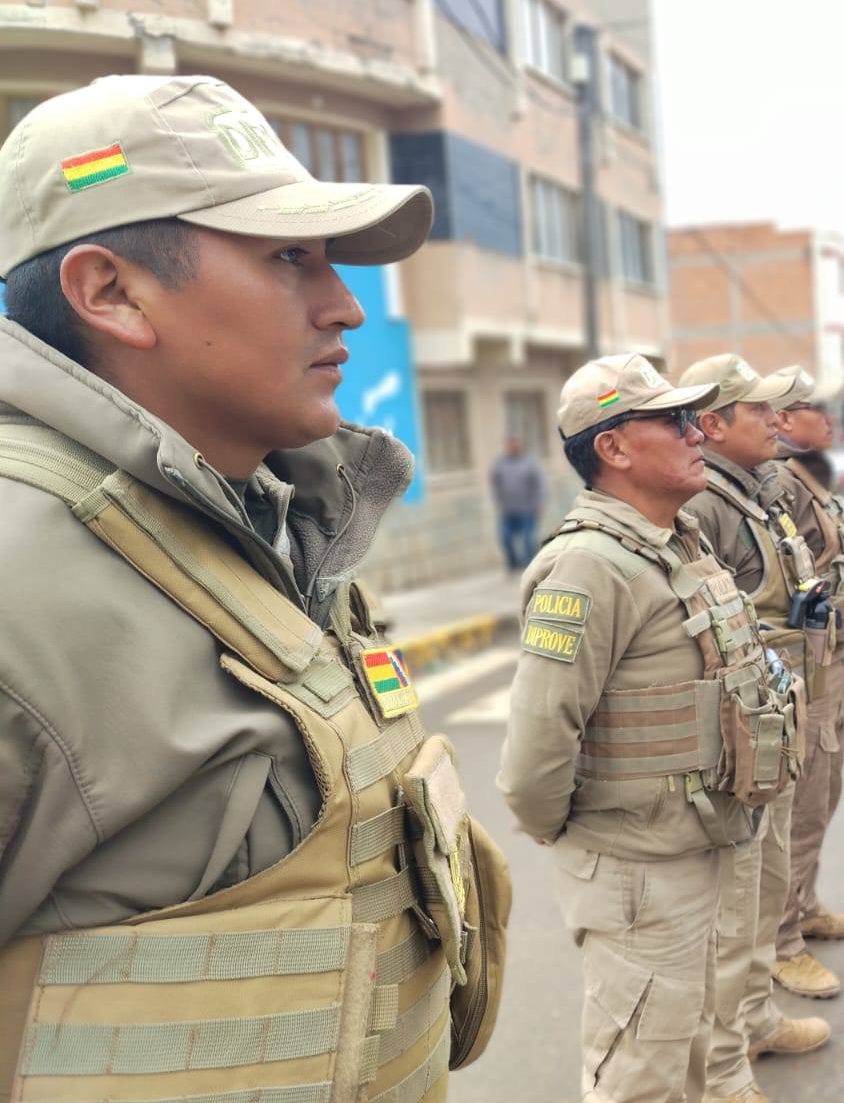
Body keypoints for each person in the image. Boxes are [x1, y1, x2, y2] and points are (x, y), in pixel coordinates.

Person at [0, 74, 510, 1099]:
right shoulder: (21, 577)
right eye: (289, 258)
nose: (345, 306)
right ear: (111, 293)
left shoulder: (263, 521)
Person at [497, 353, 800, 1103]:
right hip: (639, 872)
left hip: (695, 850)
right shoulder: (588, 567)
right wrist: (591, 839)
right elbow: (535, 755)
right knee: (640, 1078)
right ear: (614, 447)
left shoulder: (674, 543)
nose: (696, 432)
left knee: (684, 1057)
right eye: (673, 420)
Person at [677, 354, 833, 1100]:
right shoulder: (706, 505)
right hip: (744, 733)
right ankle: (723, 1068)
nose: (777, 420)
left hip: (777, 717)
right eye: (759, 410)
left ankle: (757, 1019)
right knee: (735, 910)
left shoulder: (754, 491)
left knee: (767, 891)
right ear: (712, 424)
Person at [769, 368, 844, 1000]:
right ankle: (781, 941)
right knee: (804, 803)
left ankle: (803, 905)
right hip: (804, 667)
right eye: (816, 409)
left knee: (825, 791)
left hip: (830, 658)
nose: (830, 420)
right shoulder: (781, 484)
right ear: (783, 420)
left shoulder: (812, 477)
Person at [491, 433, 546, 571]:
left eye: (515, 443)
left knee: (528, 539)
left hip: (527, 509)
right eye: (509, 444)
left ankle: (530, 567)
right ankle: (513, 564)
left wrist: (539, 502)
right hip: (507, 509)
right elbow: (495, 482)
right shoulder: (500, 464)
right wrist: (498, 499)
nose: (512, 446)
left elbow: (539, 484)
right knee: (505, 538)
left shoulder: (529, 463)